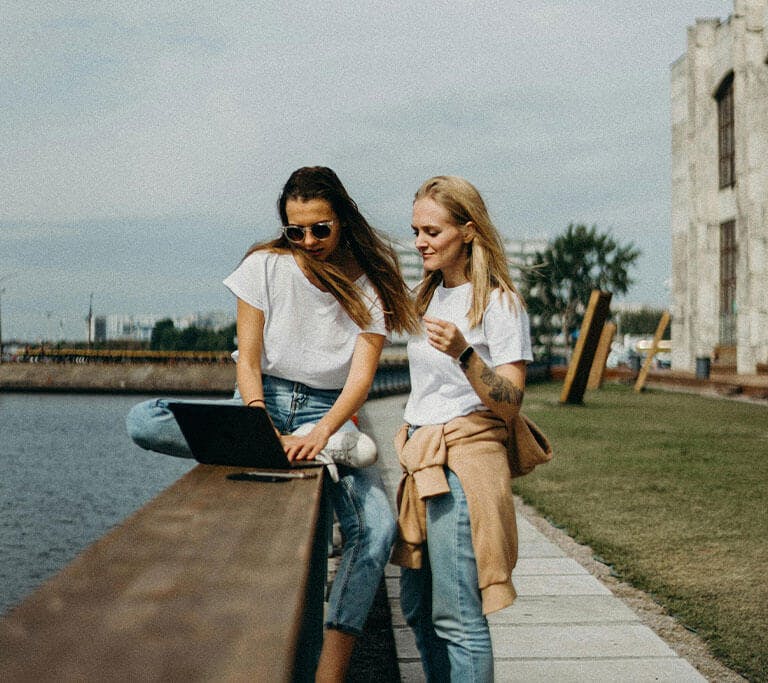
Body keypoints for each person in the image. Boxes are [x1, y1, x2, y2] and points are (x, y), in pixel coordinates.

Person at [126, 166, 417, 681]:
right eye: (295, 230)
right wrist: (259, 422)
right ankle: (278, 449)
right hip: (263, 398)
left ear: (342, 222)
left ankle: (329, 670)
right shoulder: (263, 266)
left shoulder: (370, 284)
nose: (308, 241)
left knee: (375, 528)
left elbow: (359, 380)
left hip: (325, 411)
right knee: (142, 420)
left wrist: (320, 433)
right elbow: (248, 359)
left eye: (320, 229)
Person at [391, 175, 533, 681]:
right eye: (416, 231)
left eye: (432, 231)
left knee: (457, 617)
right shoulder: (426, 298)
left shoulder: (498, 302)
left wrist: (464, 353)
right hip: (423, 459)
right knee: (415, 610)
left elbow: (511, 402)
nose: (420, 243)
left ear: (468, 231)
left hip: (464, 463)